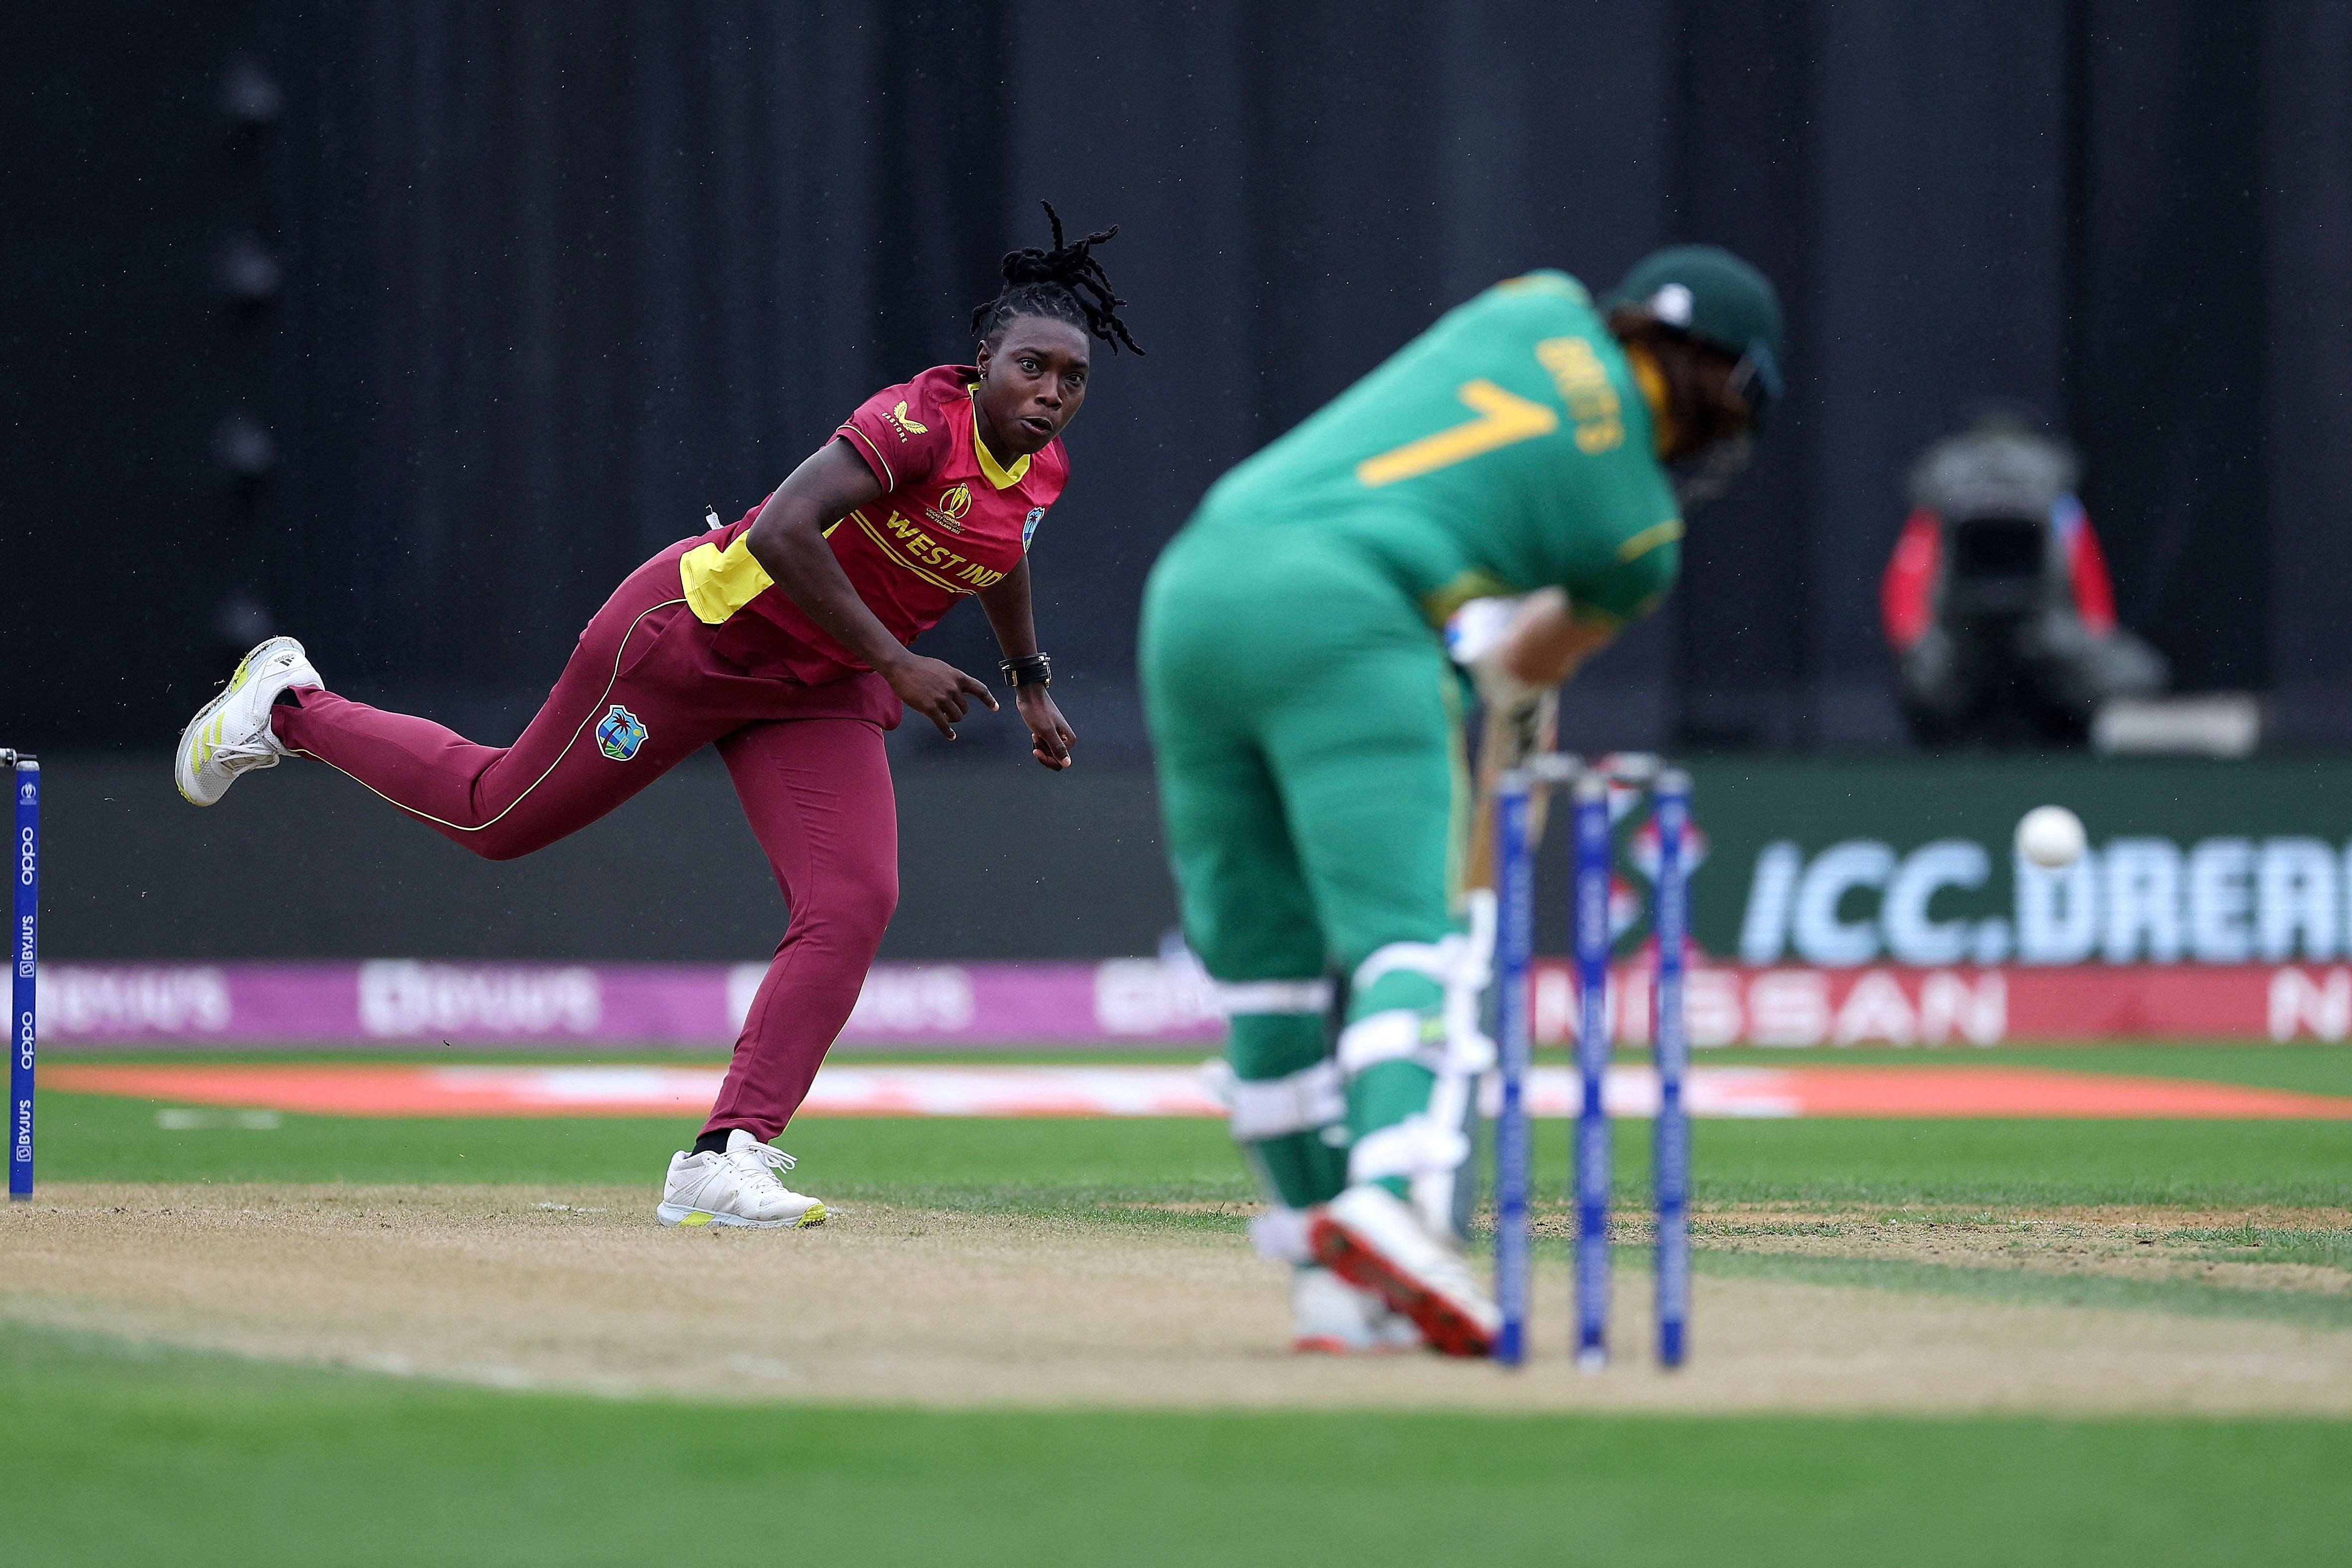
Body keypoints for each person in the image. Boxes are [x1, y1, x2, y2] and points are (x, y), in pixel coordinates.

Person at [174, 204, 1140, 1228]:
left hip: (815, 688)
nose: (1050, 394)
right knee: (494, 818)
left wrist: (1030, 676)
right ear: (984, 358)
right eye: (1031, 367)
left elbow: (1002, 550)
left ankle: (725, 1156)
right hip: (692, 641)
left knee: (853, 899)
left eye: (1071, 380)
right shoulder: (917, 422)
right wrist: (899, 660)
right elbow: (782, 529)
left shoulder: (1042, 471)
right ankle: (288, 708)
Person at [1141, 246, 1780, 1356]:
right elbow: (1527, 665)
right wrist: (1487, 642)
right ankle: (1390, 1199)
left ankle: (1332, 1276)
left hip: (1198, 582)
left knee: (1269, 971)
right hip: (1354, 612)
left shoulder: (1530, 304)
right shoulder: (1638, 535)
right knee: (1410, 945)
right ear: (1720, 377)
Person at [1880, 410, 2166, 745]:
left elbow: (2088, 585)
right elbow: (1906, 591)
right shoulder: (1941, 512)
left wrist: (2081, 639)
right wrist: (1919, 647)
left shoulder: (2058, 508)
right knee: (1928, 679)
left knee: (2132, 673)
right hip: (1961, 639)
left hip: (2046, 631)